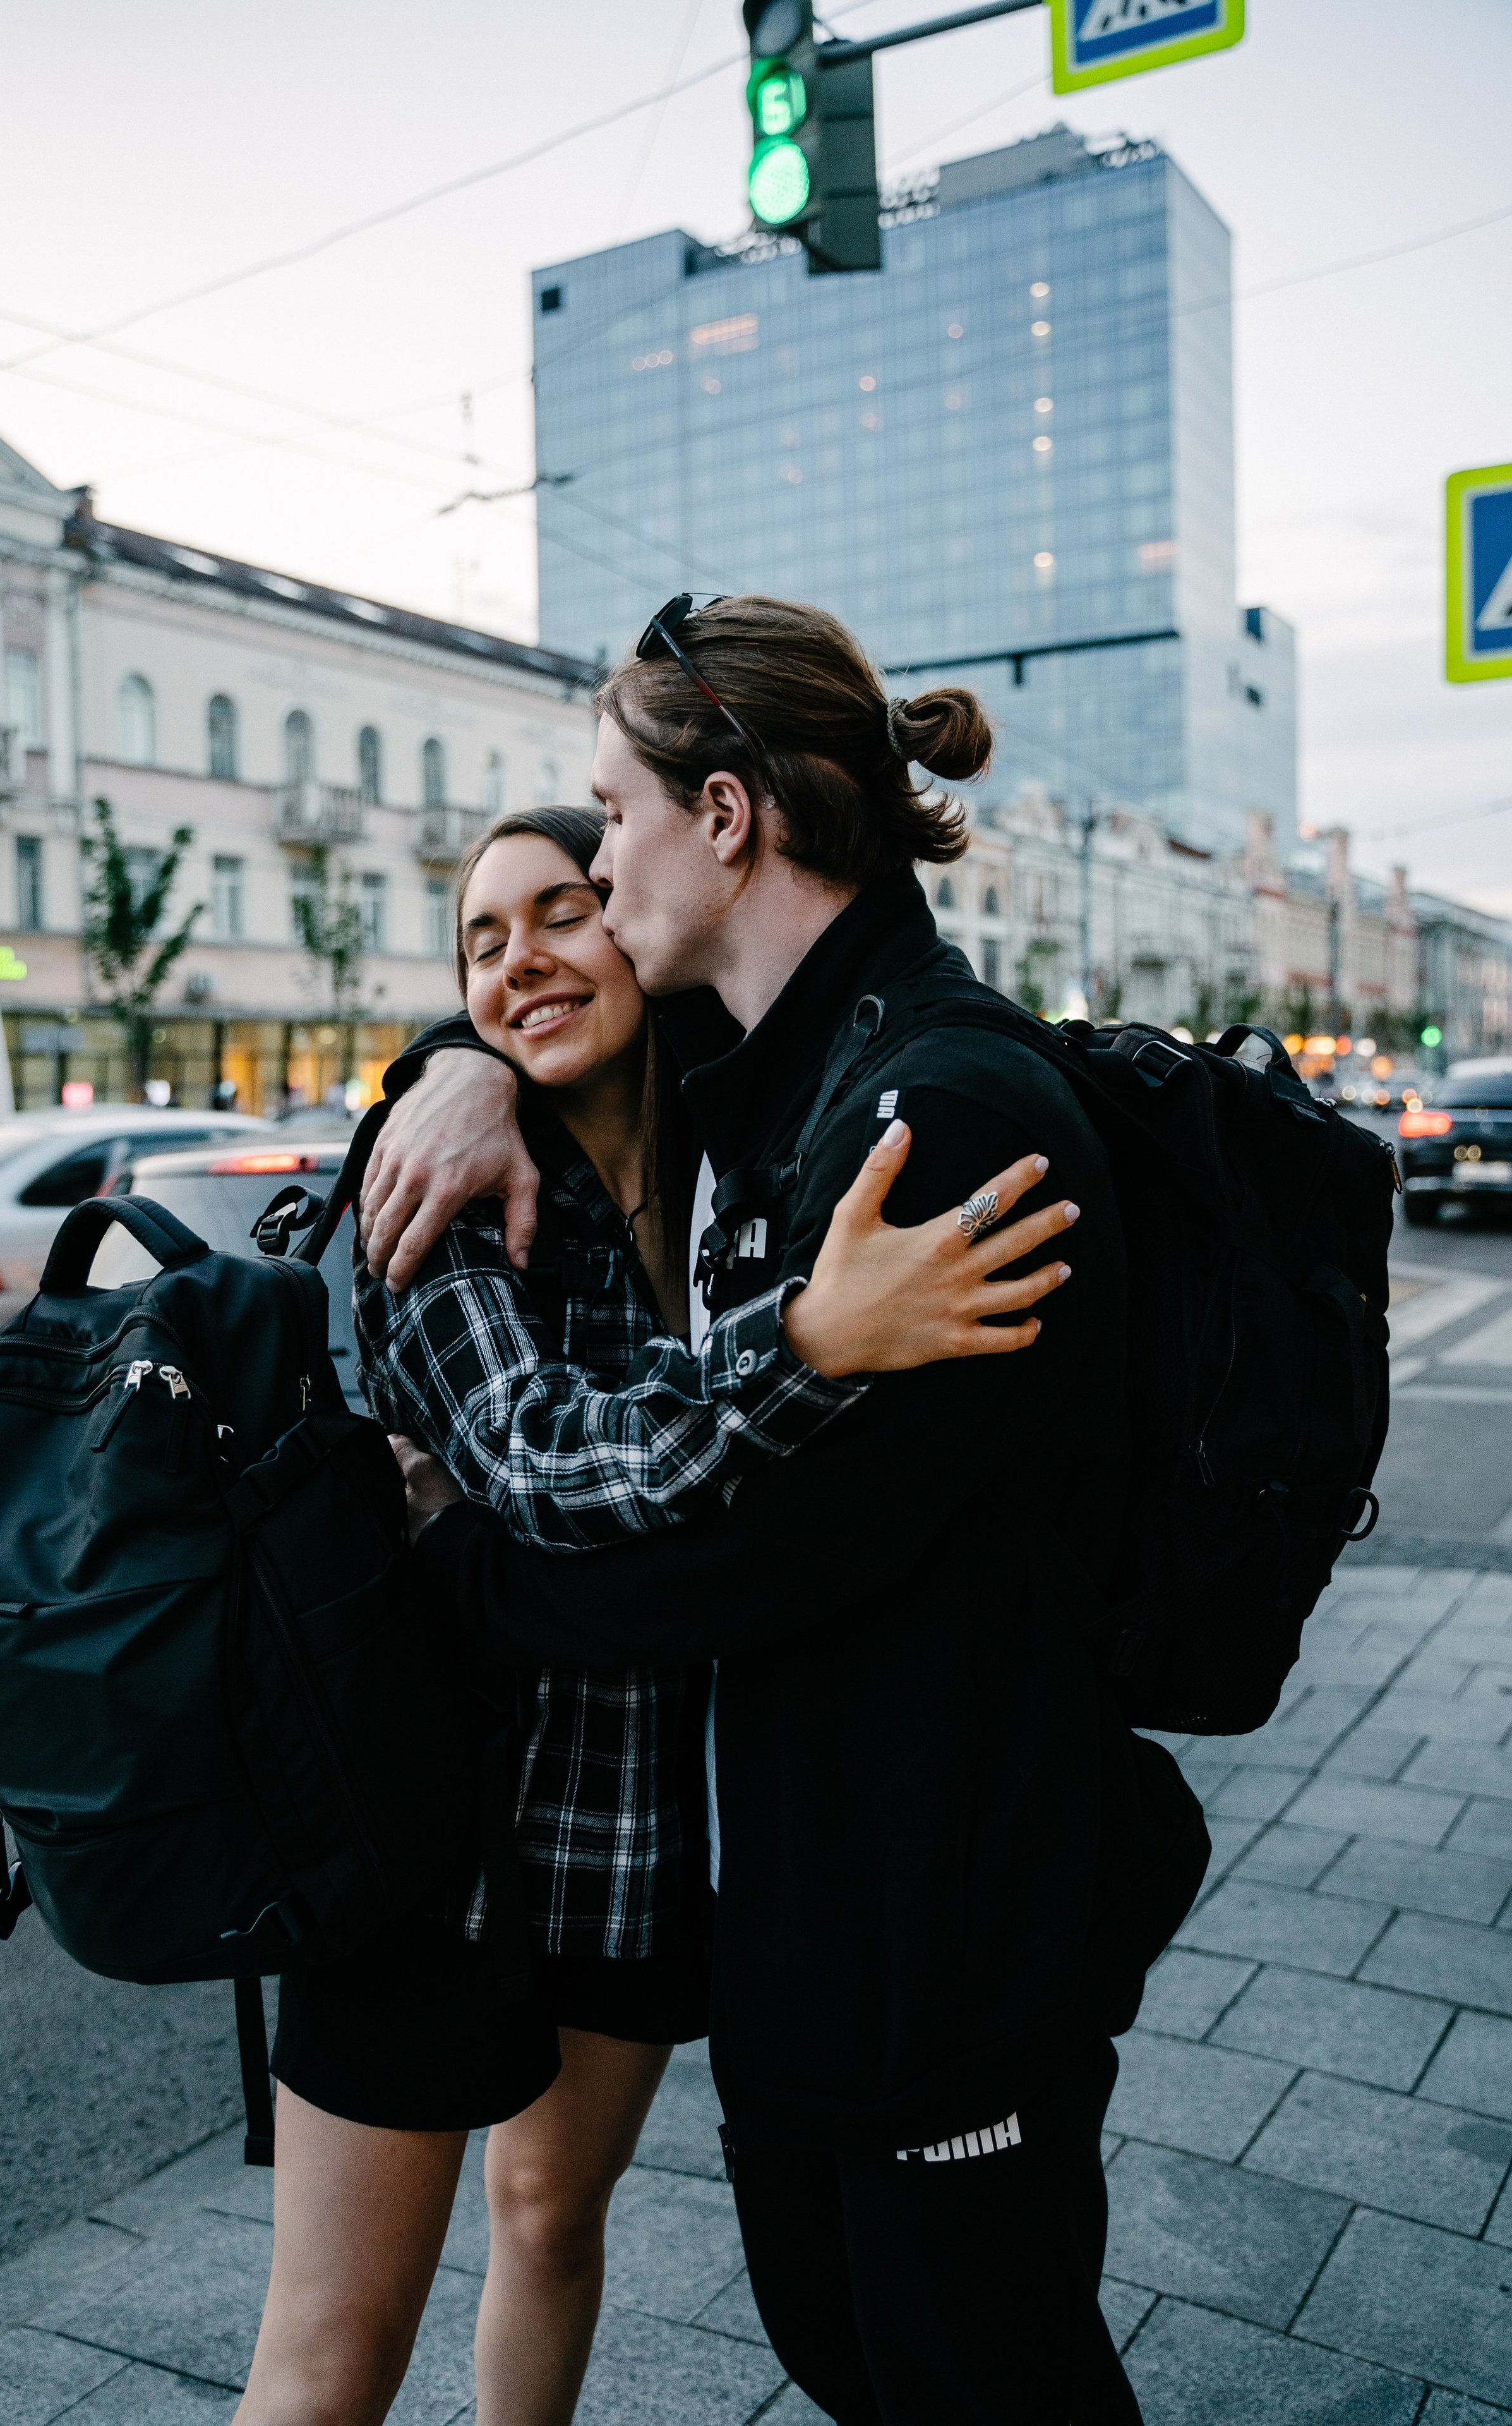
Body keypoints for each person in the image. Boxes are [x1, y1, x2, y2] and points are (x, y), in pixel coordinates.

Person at [361, 596, 1210, 2426]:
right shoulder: (792, 1081)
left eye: (615, 816)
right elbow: (568, 1029)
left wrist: (464, 1560)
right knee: (852, 2353)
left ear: (726, 818)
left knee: (982, 2381)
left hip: (948, 1922)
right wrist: (465, 1062)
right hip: (817, 1912)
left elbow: (741, 1561)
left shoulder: (940, 1113)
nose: (601, 858)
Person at [234, 804, 1077, 2426]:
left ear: (633, 920)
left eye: (561, 909)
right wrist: (808, 1346)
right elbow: (550, 1469)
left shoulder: (737, 1161)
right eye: (479, 942)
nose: (520, 959)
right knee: (330, 2360)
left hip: (632, 1857)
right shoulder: (452, 1195)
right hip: (426, 1860)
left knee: (552, 2224)